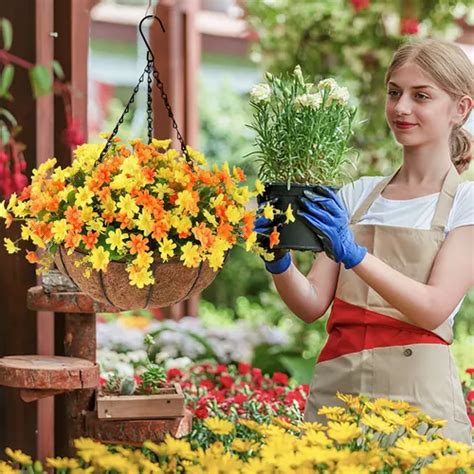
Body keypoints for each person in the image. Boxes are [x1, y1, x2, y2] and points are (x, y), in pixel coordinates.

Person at [255, 39, 473, 444]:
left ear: (460, 109)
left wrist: (355, 255)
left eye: (420, 95)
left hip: (421, 407)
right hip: (338, 395)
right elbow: (311, 305)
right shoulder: (357, 195)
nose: (401, 108)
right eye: (394, 92)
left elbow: (433, 308)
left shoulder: (466, 203)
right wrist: (278, 260)